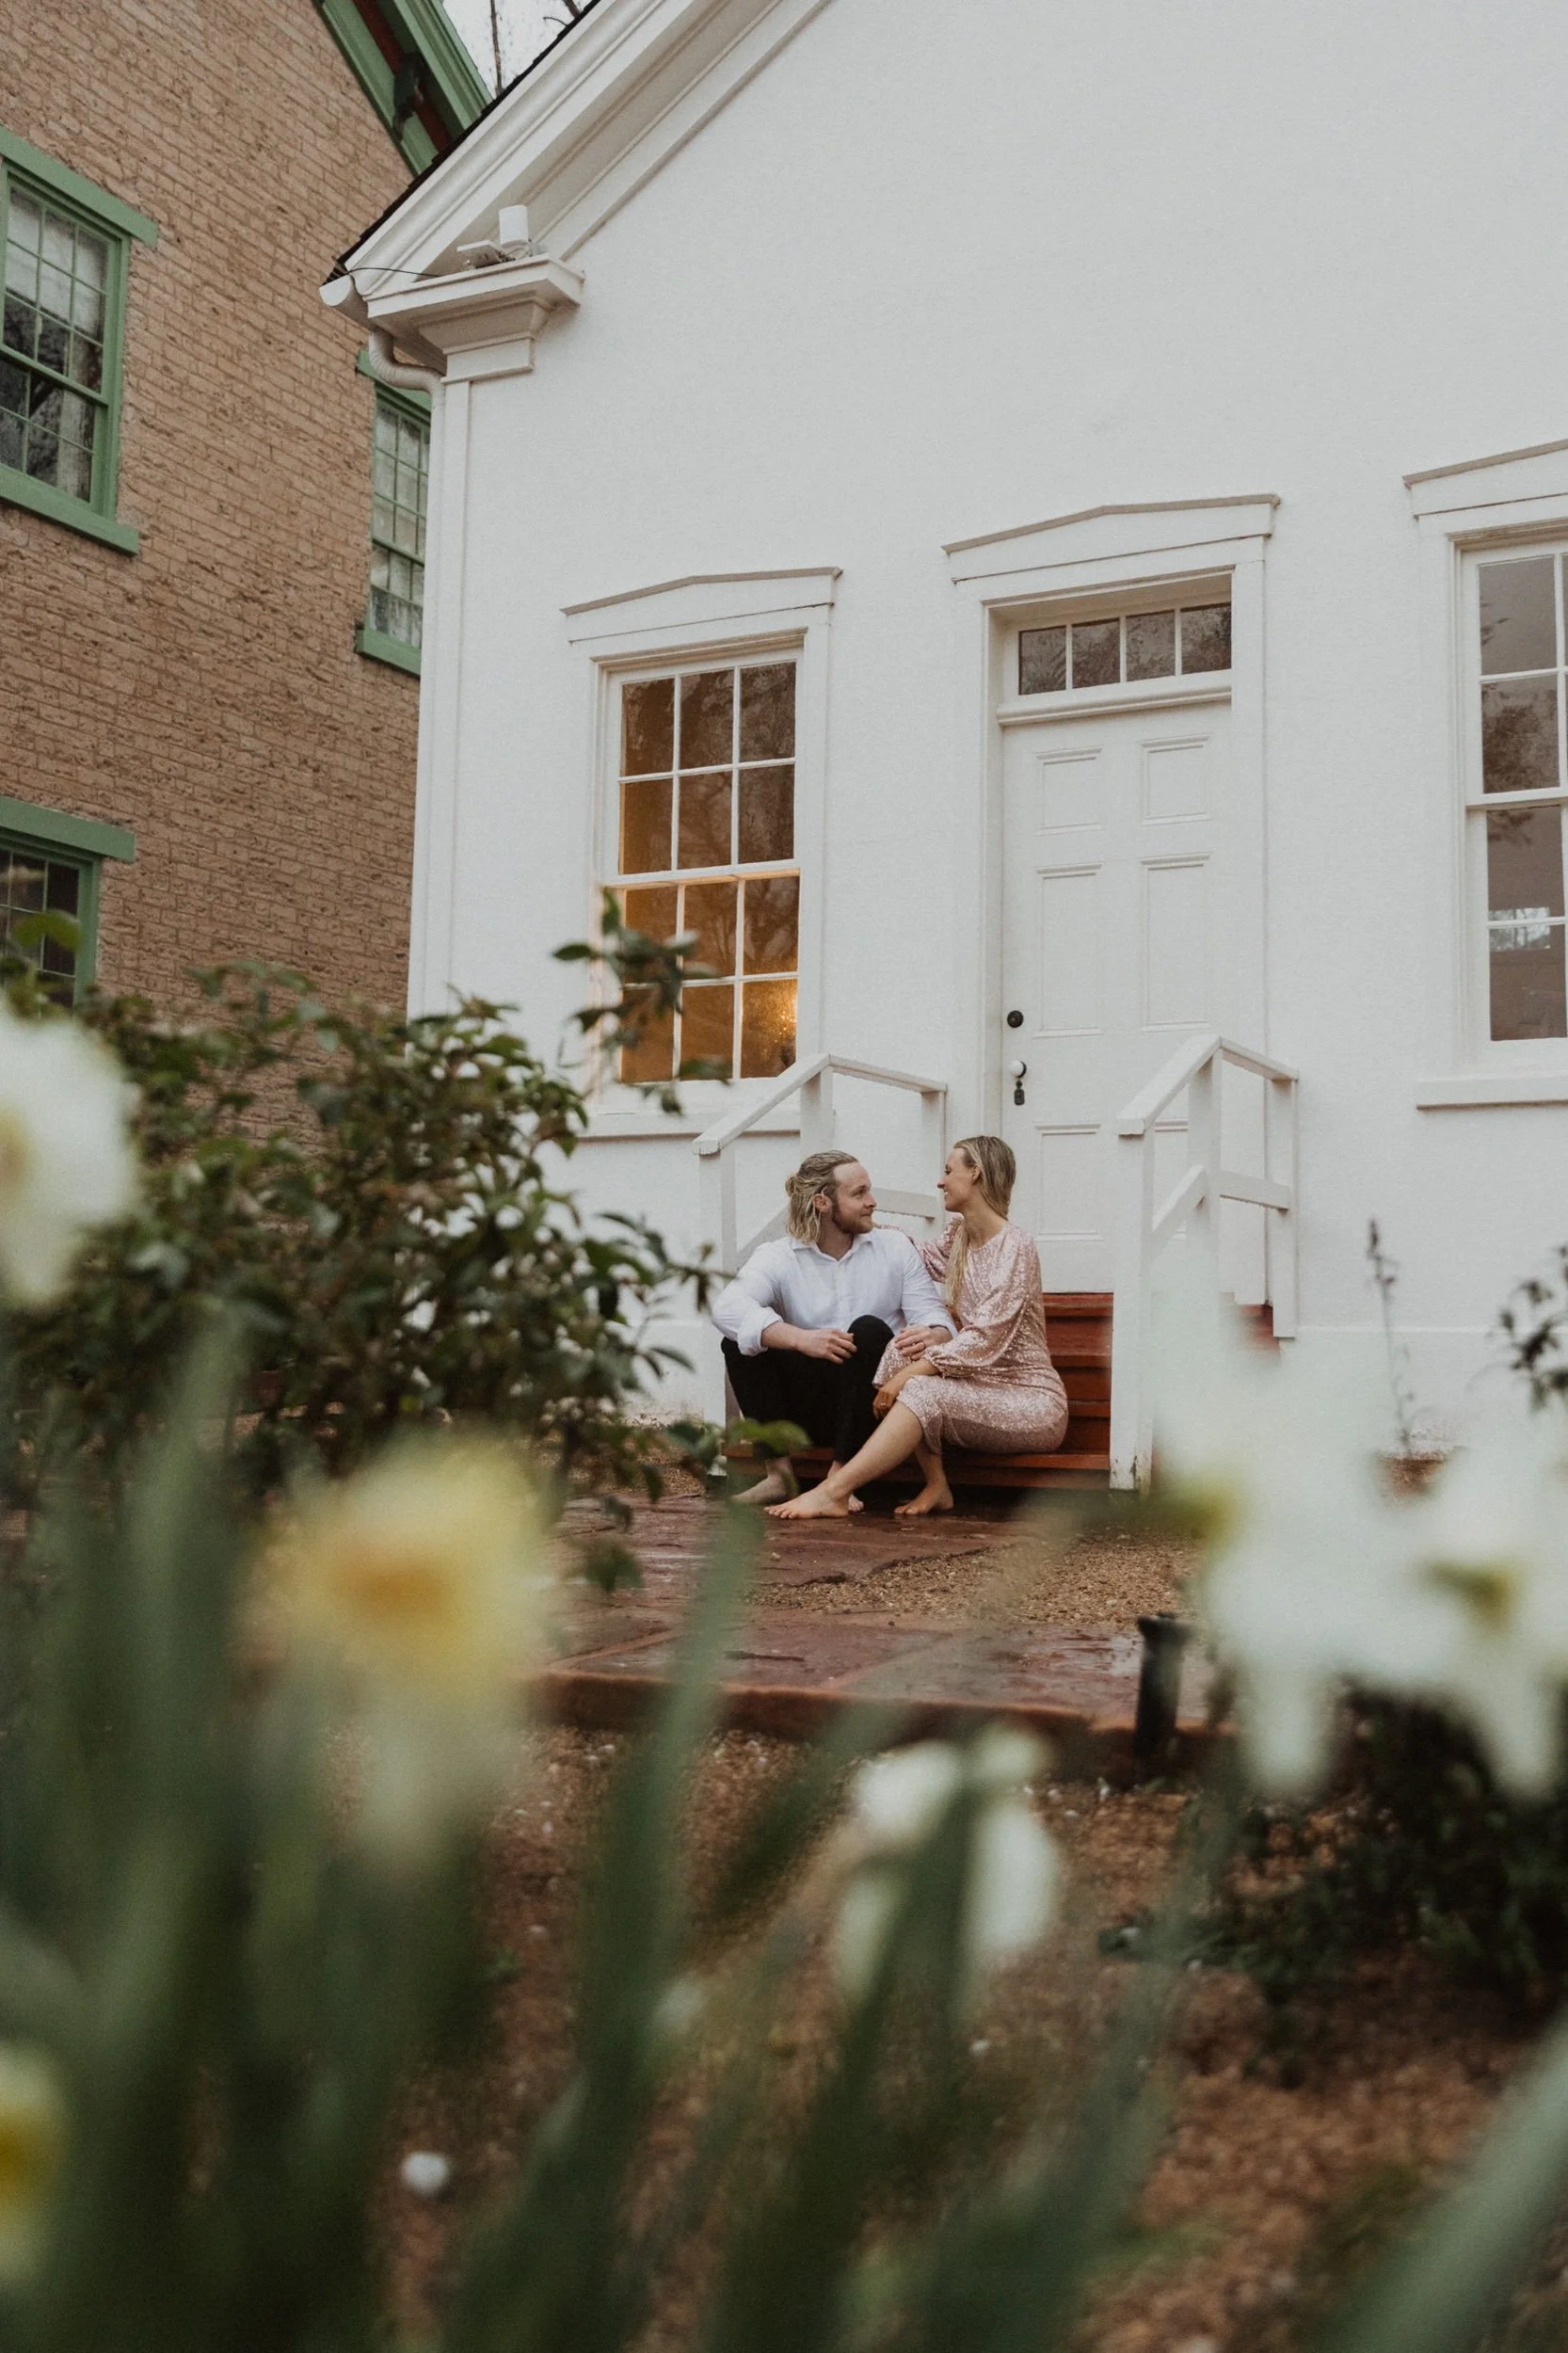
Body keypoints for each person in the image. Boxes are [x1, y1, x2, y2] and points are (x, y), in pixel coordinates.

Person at [766, 1134, 1068, 1520]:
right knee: (901, 1346)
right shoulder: (959, 1236)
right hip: (978, 1389)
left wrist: (908, 1374)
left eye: (948, 1171)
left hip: (1029, 1402)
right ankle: (937, 1483)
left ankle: (834, 1490)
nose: (941, 1182)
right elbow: (909, 1255)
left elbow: (984, 1339)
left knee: (920, 1384)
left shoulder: (1015, 1246)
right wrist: (849, 1225)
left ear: (975, 1174)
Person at [712, 1149, 957, 1505]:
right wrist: (800, 1339)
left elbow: (940, 1322)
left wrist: (933, 1333)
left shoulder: (894, 1248)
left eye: (869, 1191)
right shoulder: (779, 1256)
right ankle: (779, 1477)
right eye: (859, 1194)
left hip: (875, 1408)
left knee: (869, 1330)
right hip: (808, 1410)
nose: (872, 1202)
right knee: (738, 1341)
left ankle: (839, 1482)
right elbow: (727, 1309)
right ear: (823, 1202)